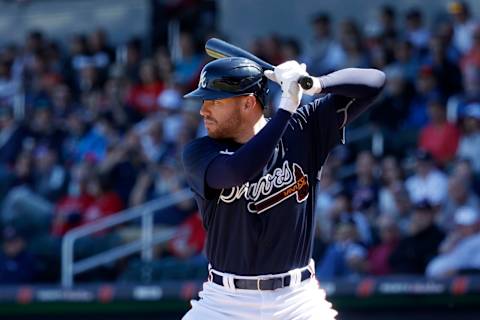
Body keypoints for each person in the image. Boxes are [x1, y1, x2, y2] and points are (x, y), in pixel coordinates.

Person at [181, 56, 385, 319]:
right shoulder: (201, 151)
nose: (203, 110)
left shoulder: (303, 128)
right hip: (224, 302)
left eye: (215, 101)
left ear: (248, 102)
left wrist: (316, 84)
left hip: (297, 300)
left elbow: (375, 82)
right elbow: (236, 171)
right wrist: (286, 109)